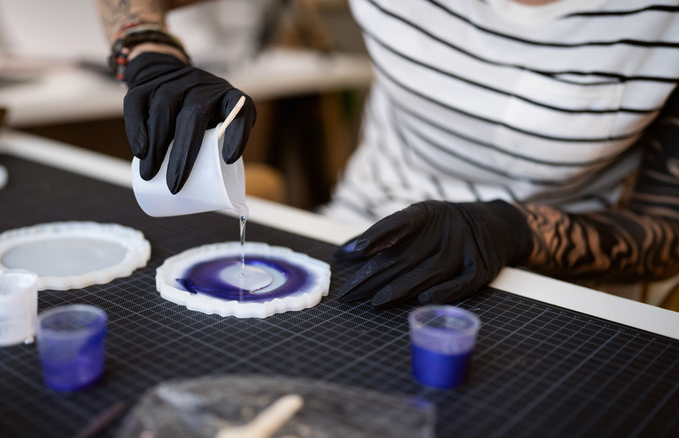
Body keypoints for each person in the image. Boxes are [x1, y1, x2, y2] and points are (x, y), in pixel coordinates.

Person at [96, 0, 679, 308]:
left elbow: (667, 232)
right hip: (357, 238)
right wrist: (148, 52)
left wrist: (511, 230)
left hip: (552, 283)